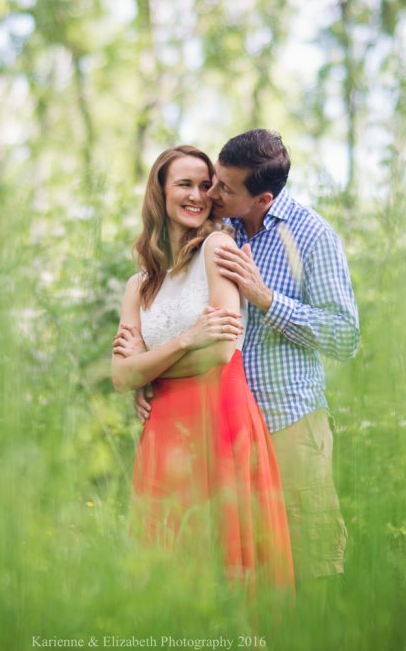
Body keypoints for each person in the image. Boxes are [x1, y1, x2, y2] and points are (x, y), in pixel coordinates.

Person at [119, 129, 360, 593]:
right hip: (220, 428)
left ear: (262, 197)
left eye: (223, 188)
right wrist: (147, 379)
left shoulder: (310, 236)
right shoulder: (216, 232)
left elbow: (346, 337)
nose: (210, 194)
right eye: (211, 182)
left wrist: (266, 299)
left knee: (305, 569)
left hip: (287, 421)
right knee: (227, 572)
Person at [111, 145, 295, 589]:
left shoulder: (217, 246)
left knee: (227, 560)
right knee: (169, 563)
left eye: (205, 184)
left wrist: (148, 369)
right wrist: (185, 339)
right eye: (184, 184)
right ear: (160, 192)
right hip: (163, 428)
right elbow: (120, 377)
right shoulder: (139, 284)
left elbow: (220, 351)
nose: (198, 194)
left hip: (221, 415)